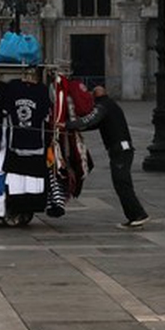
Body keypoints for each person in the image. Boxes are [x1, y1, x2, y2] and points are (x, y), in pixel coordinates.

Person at [66, 83, 148, 228]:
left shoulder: (102, 106)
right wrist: (74, 128)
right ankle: (134, 216)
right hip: (122, 149)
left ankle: (138, 215)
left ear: (94, 96)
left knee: (122, 183)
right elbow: (93, 124)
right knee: (121, 183)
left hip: (120, 150)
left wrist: (67, 125)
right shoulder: (110, 105)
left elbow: (90, 119)